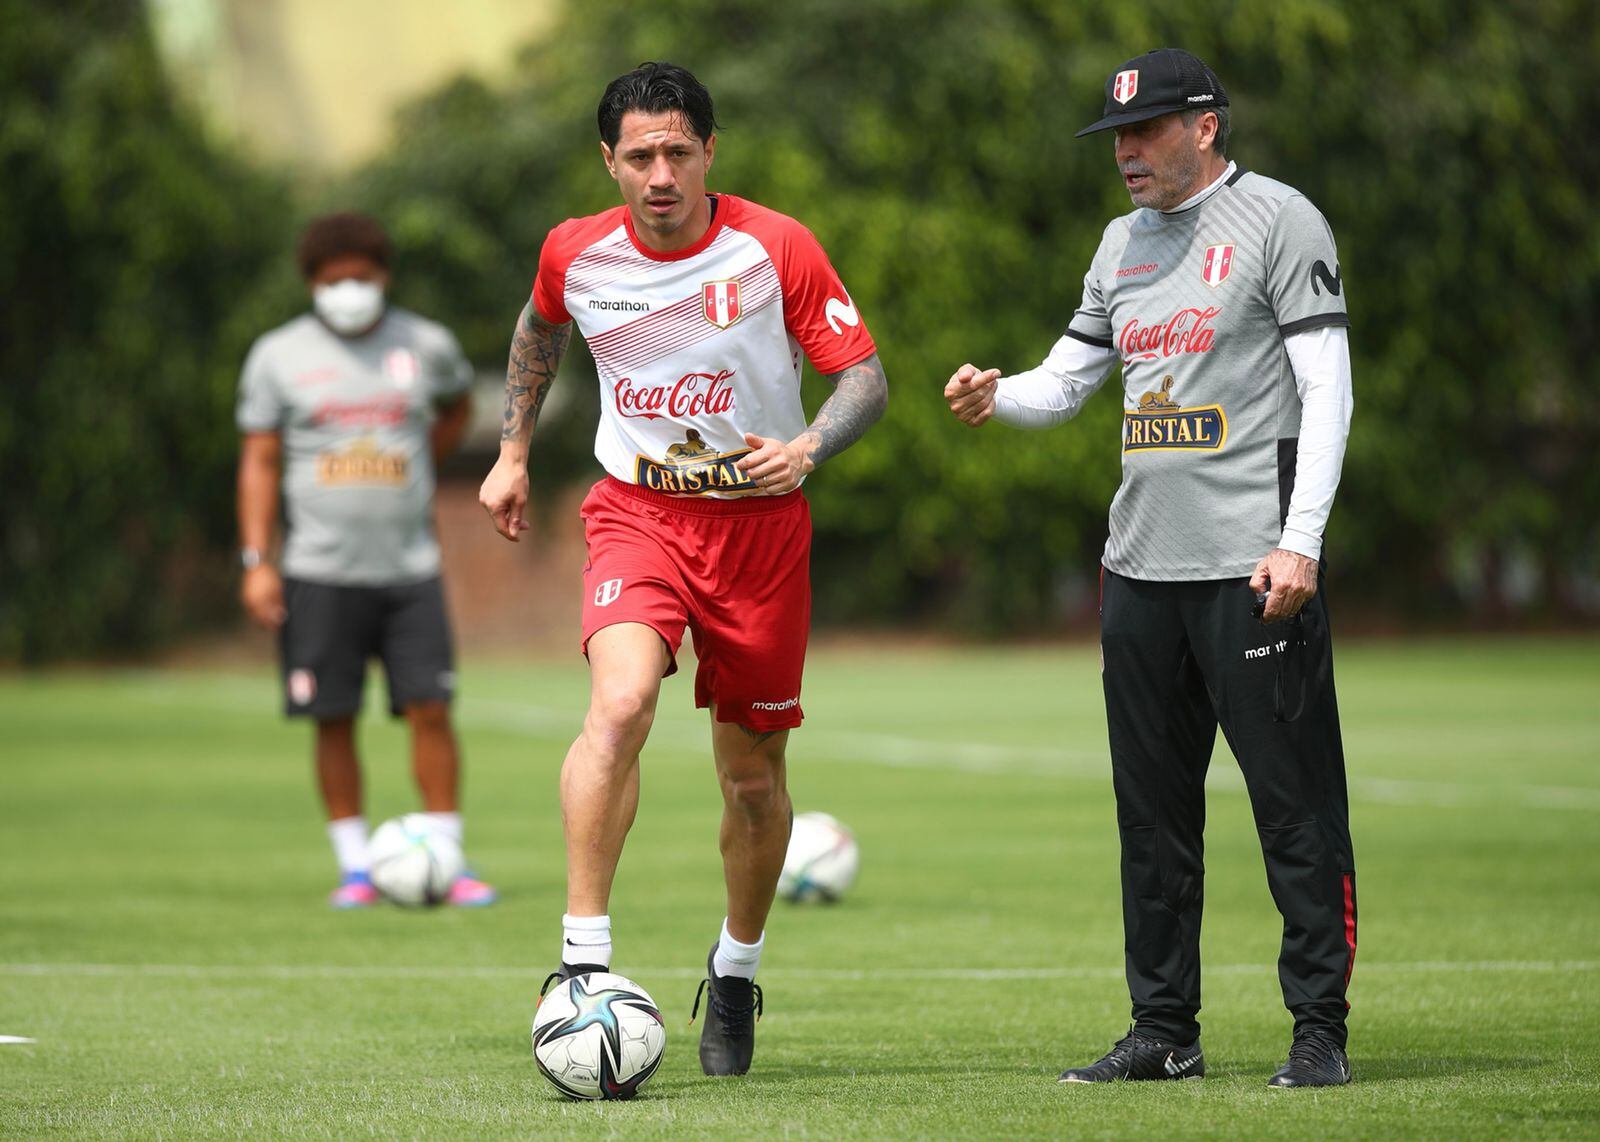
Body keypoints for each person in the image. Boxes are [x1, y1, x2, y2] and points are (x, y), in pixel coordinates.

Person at [945, 48, 1357, 1088]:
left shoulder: (1279, 220)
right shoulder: (1119, 244)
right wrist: (1001, 395)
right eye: (1116, 137)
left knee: (1294, 808)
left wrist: (1299, 538)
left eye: (1146, 131)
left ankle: (1318, 1028)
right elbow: (1070, 379)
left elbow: (1327, 388)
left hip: (1253, 569)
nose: (1125, 152)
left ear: (1205, 126)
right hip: (1139, 572)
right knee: (1152, 816)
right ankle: (1163, 1028)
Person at [478, 61, 887, 1076]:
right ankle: (580, 964)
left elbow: (863, 378)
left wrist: (807, 447)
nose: (658, 173)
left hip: (759, 531)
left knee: (751, 780)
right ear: (607, 161)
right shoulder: (575, 252)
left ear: (709, 151)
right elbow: (539, 328)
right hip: (639, 512)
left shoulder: (774, 245)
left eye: (676, 151)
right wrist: (513, 452)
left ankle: (737, 969)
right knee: (617, 706)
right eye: (638, 154)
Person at [236, 212, 497, 910]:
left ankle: (448, 856)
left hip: (410, 566)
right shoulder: (277, 356)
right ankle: (356, 868)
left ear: (383, 278)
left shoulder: (426, 344)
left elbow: (455, 410)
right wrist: (258, 560)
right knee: (333, 715)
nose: (348, 290)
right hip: (318, 570)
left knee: (432, 708)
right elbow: (259, 461)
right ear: (312, 285)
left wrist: (416, 462)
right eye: (333, 280)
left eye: (361, 278)